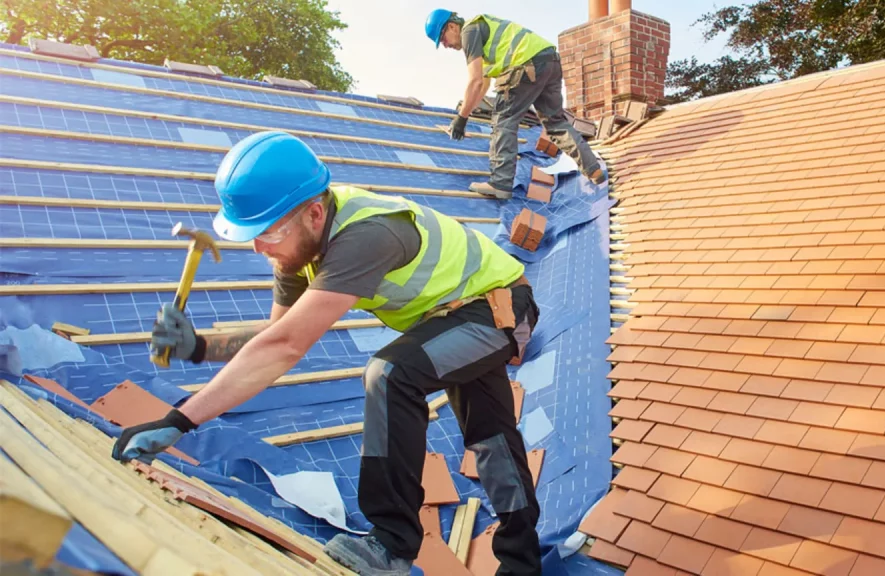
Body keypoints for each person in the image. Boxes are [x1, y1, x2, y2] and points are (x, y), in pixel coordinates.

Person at [111, 131, 544, 575]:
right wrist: (200, 347)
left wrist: (178, 420)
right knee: (490, 436)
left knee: (390, 374)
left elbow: (284, 348)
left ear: (314, 213)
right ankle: (523, 564)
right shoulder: (295, 250)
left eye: (268, 233)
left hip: (499, 307)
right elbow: (276, 334)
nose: (261, 248)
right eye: (252, 236)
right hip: (452, 317)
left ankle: (393, 545)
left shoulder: (365, 236)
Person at [425, 8, 606, 199]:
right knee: (555, 123)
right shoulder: (483, 35)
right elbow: (482, 85)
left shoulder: (469, 32)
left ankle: (500, 183)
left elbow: (475, 80)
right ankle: (593, 170)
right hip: (549, 61)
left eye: (443, 38)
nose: (445, 45)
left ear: (452, 26)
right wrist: (466, 114)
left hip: (525, 65)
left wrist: (460, 119)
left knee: (503, 120)